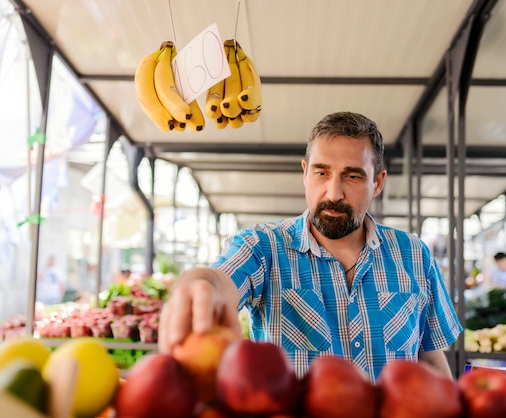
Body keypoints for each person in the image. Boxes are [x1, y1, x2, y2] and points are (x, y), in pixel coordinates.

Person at [158, 111, 462, 383]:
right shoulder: (264, 247)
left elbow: (430, 357)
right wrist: (200, 285)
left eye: (352, 176)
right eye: (321, 172)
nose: (334, 192)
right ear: (305, 173)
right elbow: (220, 278)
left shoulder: (414, 255)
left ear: (378, 183)